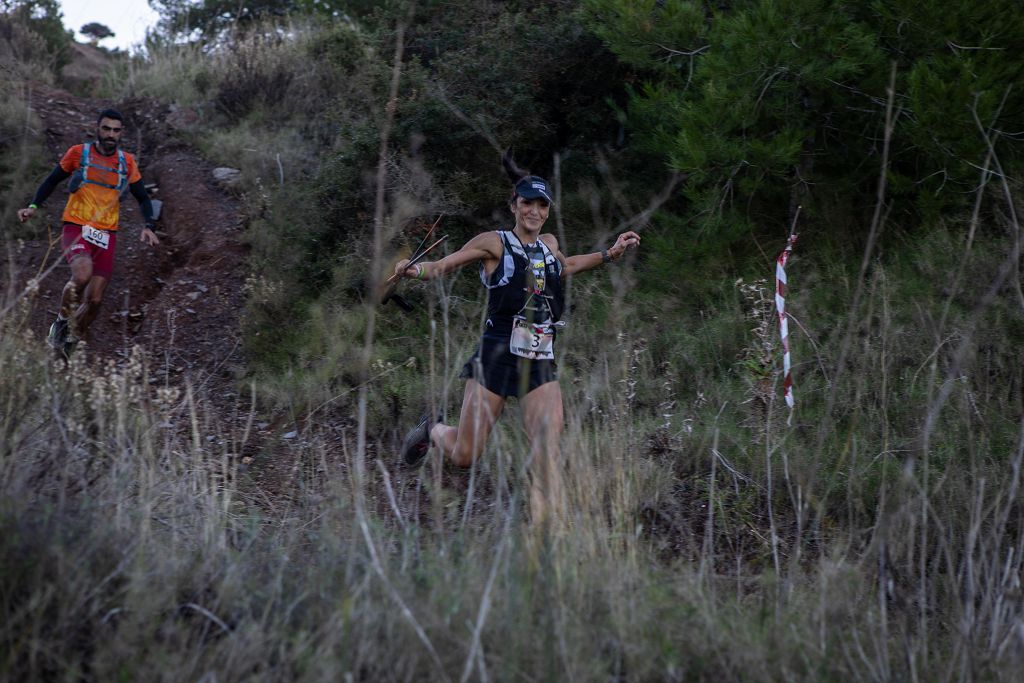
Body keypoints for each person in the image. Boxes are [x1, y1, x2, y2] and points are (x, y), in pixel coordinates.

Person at [395, 153, 641, 523]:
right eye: (528, 202)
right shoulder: (495, 243)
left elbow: (568, 265)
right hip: (496, 356)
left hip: (539, 356)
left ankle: (544, 540)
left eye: (542, 205)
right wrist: (413, 270)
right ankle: (431, 430)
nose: (535, 211)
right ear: (515, 205)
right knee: (465, 455)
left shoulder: (550, 246)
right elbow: (443, 266)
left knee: (547, 450)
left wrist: (610, 253)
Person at [17, 108, 160, 356]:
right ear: (98, 128)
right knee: (82, 275)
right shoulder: (78, 153)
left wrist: (149, 225)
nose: (110, 134)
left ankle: (71, 340)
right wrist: (33, 206)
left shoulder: (127, 162)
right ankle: (60, 323)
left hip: (106, 235)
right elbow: (52, 180)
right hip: (76, 226)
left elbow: (143, 197)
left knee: (95, 300)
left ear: (121, 133)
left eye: (116, 130)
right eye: (106, 128)